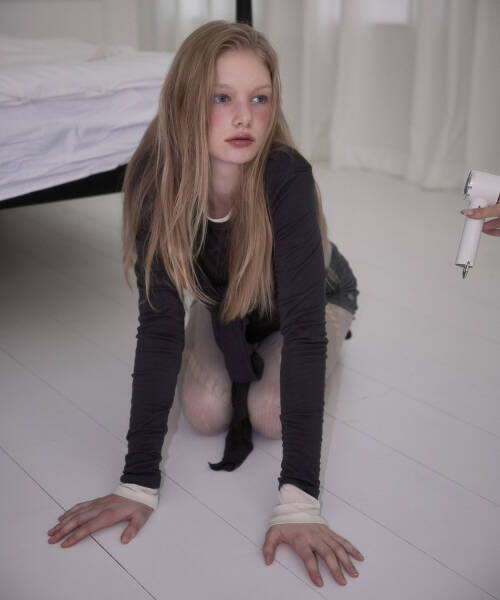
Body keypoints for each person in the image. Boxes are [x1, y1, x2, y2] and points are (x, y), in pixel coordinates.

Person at [46, 20, 363, 588]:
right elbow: (156, 332)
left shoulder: (286, 175)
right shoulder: (157, 179)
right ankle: (215, 311)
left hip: (310, 299)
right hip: (228, 299)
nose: (245, 117)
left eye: (259, 98)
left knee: (269, 415)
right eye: (222, 98)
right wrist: (137, 481)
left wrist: (300, 503)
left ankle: (291, 331)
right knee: (205, 413)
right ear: (186, 101)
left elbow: (304, 334)